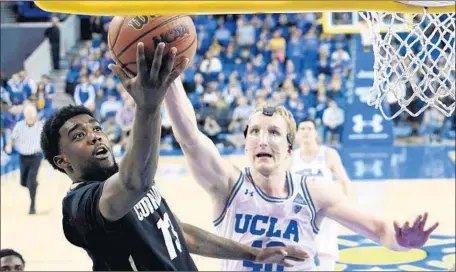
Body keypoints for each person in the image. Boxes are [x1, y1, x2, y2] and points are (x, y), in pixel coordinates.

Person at [40, 42, 309, 271]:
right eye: (78, 135)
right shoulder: (80, 206)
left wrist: (253, 253)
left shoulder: (124, 182)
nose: (95, 135)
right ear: (62, 161)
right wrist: (148, 105)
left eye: (97, 128)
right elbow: (135, 182)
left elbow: (179, 232)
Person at [163, 77, 440, 271]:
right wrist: (172, 79)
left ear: (289, 148)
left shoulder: (314, 191)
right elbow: (189, 137)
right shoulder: (228, 184)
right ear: (246, 145)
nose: (262, 139)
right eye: (255, 131)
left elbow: (380, 231)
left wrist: (403, 243)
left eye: (273, 132)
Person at [291, 118, 352, 271]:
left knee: (326, 252)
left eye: (309, 128)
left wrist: (346, 208)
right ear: (297, 134)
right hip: (300, 212)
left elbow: (345, 181)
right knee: (300, 255)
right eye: (302, 129)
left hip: (325, 210)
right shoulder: (291, 157)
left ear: (316, 132)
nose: (306, 132)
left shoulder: (328, 154)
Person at [5, 103, 43, 214]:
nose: (30, 116)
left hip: (35, 157)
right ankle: (33, 184)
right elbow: (12, 137)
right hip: (23, 157)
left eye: (32, 114)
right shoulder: (19, 125)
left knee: (31, 180)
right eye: (28, 113)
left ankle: (32, 206)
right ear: (25, 115)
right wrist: (9, 145)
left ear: (35, 115)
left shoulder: (40, 126)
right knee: (23, 182)